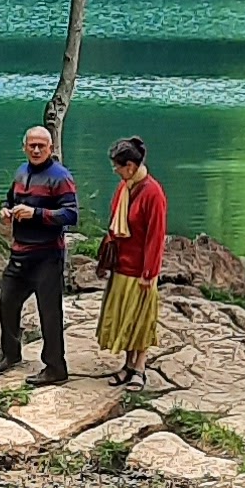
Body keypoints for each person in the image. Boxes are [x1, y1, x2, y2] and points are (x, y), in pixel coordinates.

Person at [0, 119, 78, 383]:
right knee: (7, 303)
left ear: (50, 148)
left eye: (41, 146)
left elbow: (70, 215)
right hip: (20, 253)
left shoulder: (60, 177)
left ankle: (55, 368)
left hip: (47, 255)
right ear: (24, 147)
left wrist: (37, 214)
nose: (36, 150)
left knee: (49, 313)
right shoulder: (21, 172)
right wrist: (6, 211)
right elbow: (10, 199)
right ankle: (11, 354)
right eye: (32, 145)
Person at [96, 134, 167, 383]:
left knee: (141, 319)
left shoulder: (153, 193)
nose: (115, 170)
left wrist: (149, 273)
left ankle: (140, 367)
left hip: (140, 270)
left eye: (117, 165)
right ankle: (127, 364)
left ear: (130, 166)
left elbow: (155, 237)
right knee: (125, 318)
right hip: (122, 266)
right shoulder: (124, 188)